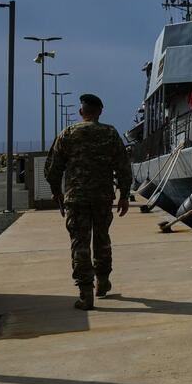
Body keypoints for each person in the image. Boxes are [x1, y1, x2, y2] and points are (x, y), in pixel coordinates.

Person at [45, 93, 132, 310]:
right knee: (102, 239)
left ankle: (86, 293)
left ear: (81, 112)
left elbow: (53, 168)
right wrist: (124, 195)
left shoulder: (68, 134)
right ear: (100, 112)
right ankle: (102, 282)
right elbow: (123, 165)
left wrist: (56, 192)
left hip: (76, 198)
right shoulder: (110, 133)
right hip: (102, 198)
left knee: (80, 244)